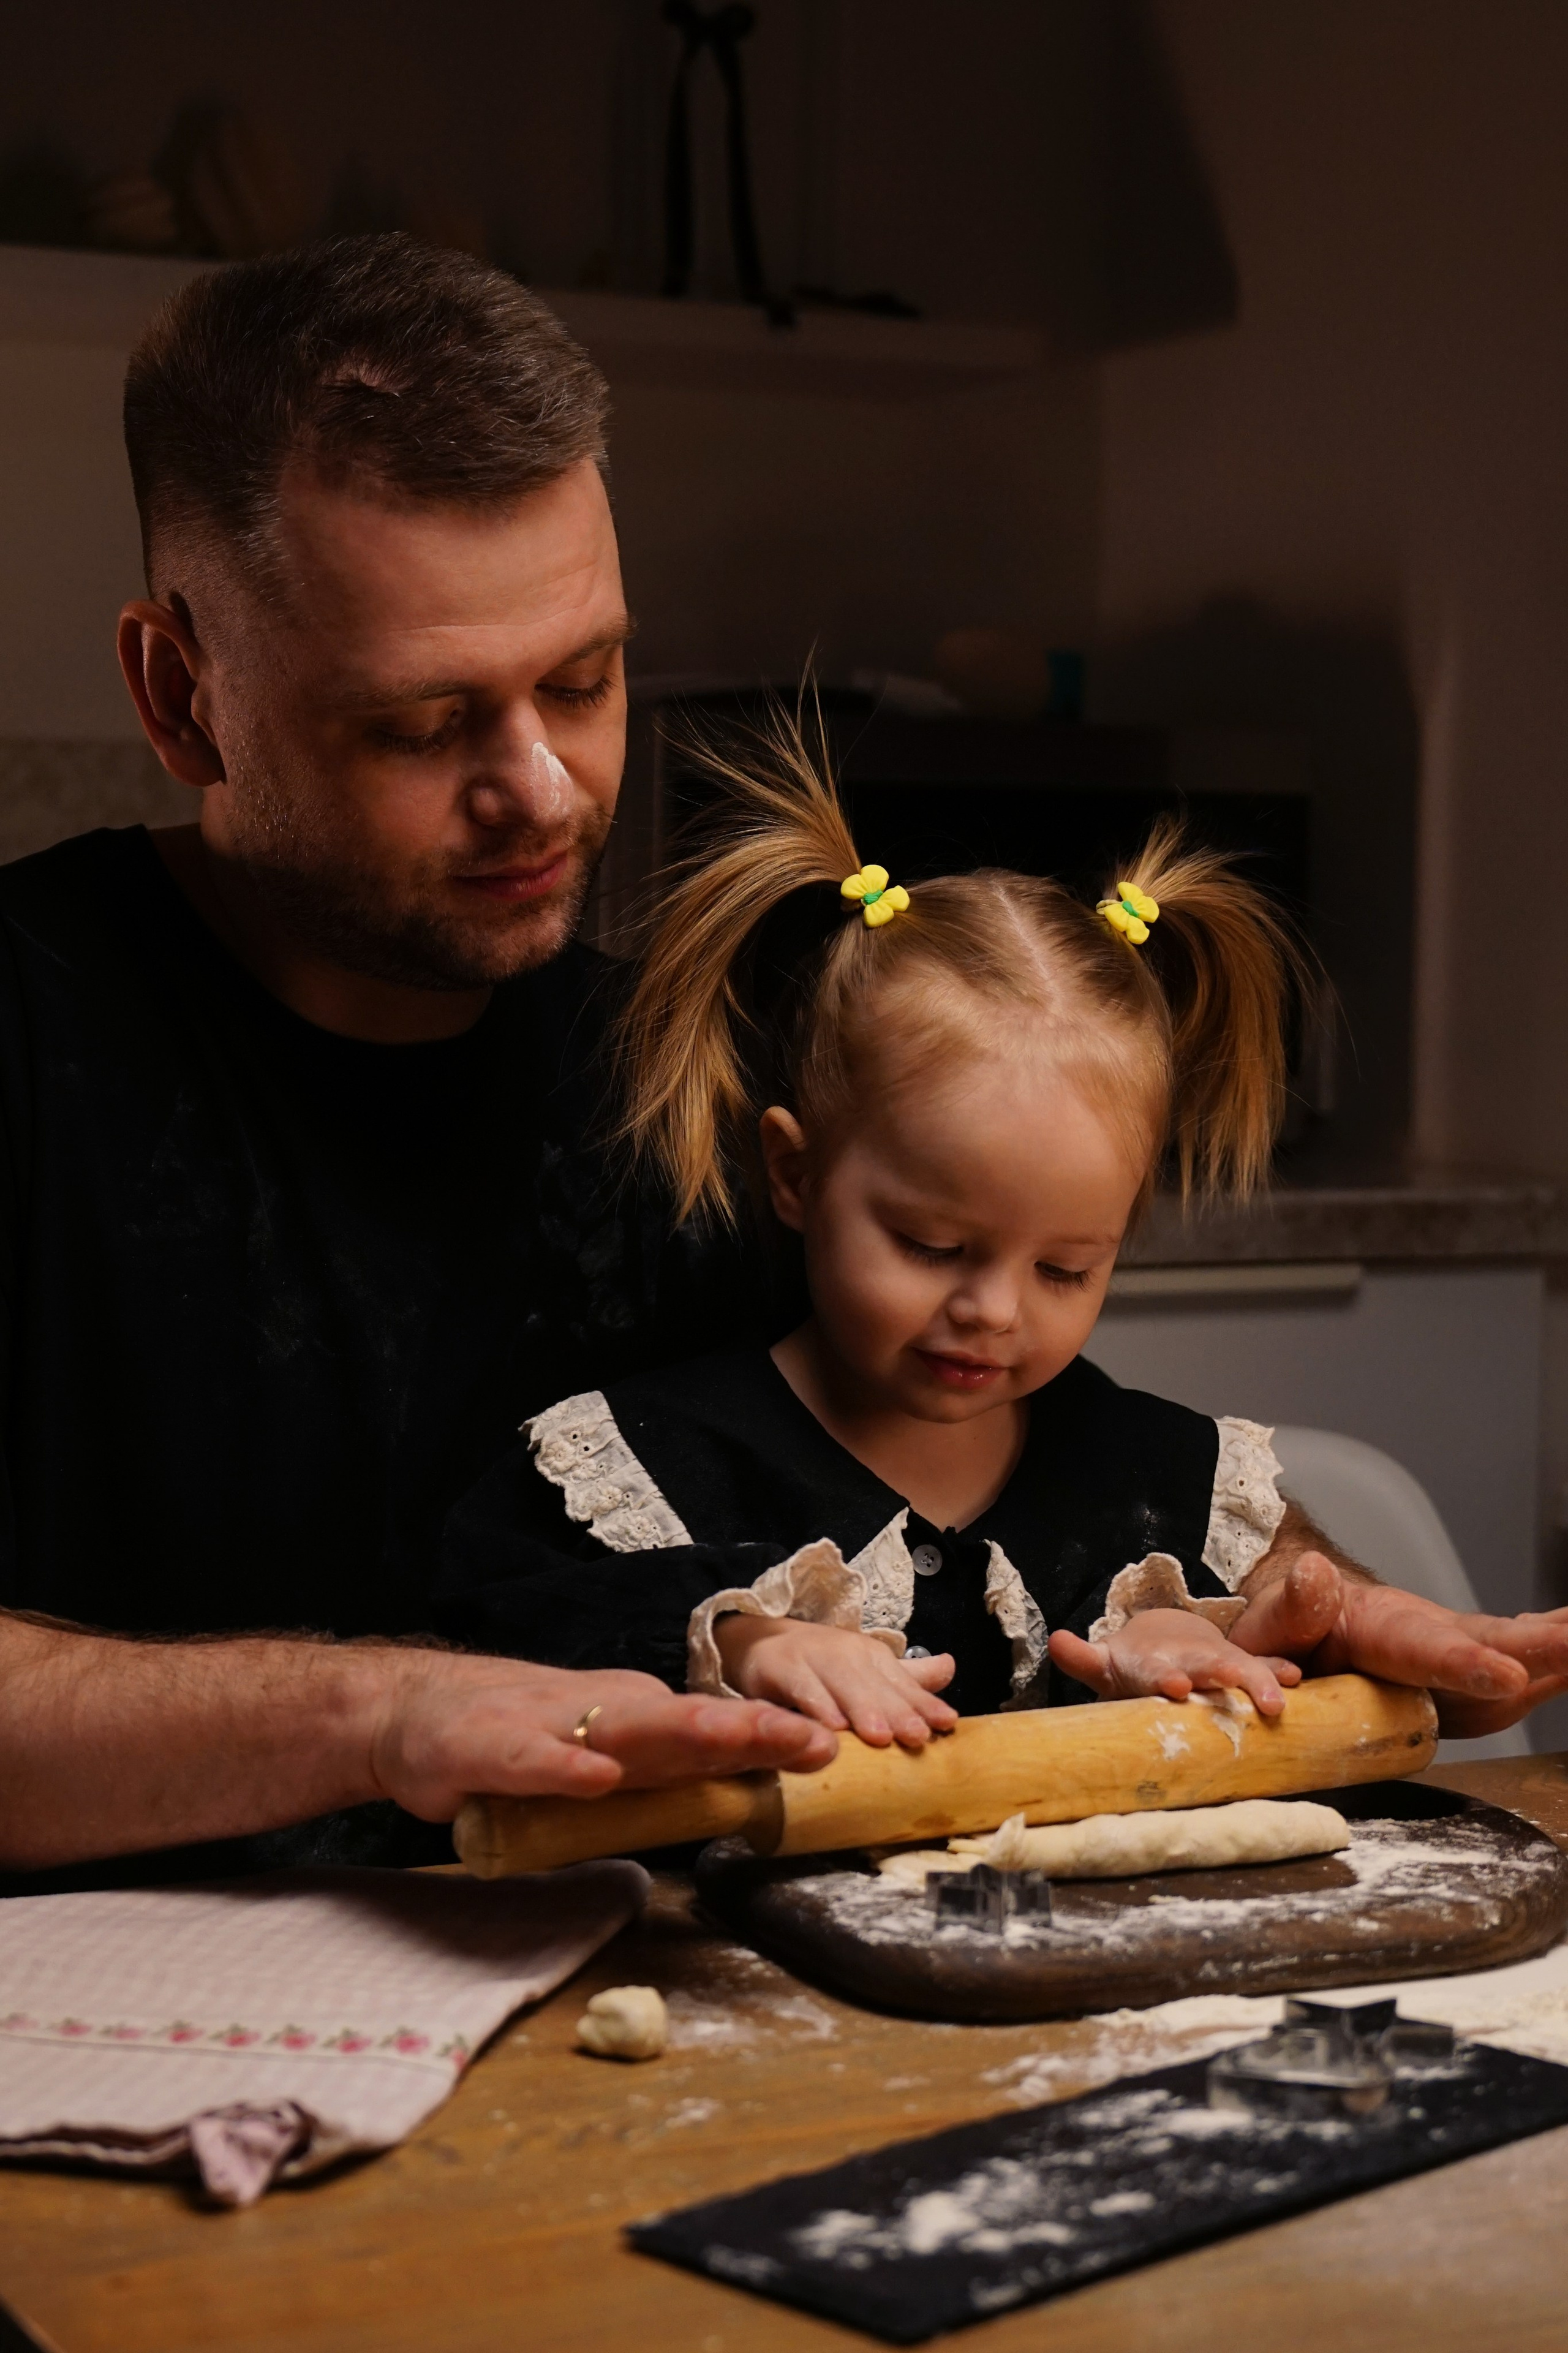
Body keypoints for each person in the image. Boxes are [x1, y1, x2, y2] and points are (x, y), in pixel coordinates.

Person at [0, 233, 829, 1882]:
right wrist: (385, 1715)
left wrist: (1267, 1567)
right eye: (422, 726)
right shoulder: (31, 1038)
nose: (542, 790)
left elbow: (994, 1448)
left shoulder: (681, 1082)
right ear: (184, 696)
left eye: (584, 681)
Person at [438, 719, 1568, 1747]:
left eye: (1068, 1268)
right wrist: (739, 1642)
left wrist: (1227, 1659)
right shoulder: (639, 1462)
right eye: (932, 1245)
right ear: (794, 1172)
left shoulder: (1156, 1479)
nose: (993, 1308)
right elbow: (478, 1639)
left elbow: (1324, 1700)